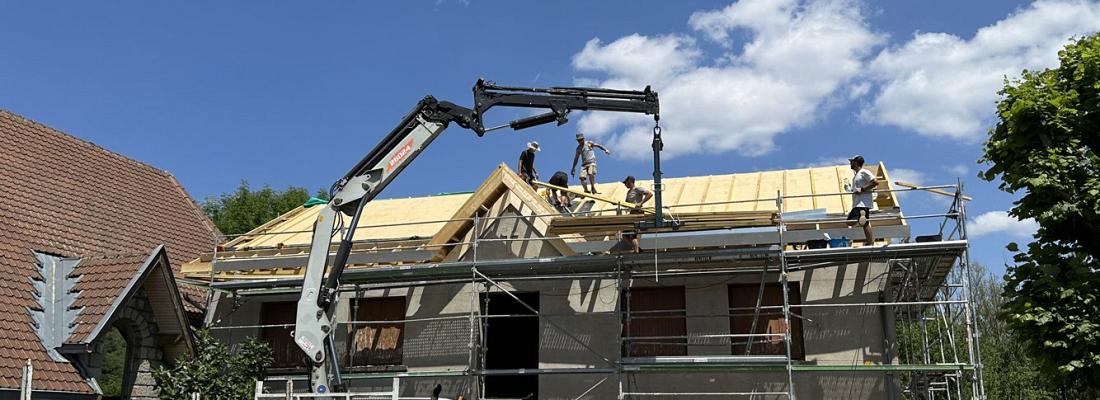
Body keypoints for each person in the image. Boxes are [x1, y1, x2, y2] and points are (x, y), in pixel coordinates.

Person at [846, 155, 878, 246]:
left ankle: (870, 242)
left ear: (856, 162)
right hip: (856, 203)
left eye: (851, 161)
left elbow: (875, 182)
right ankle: (861, 218)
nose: (850, 163)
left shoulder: (863, 172)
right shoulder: (856, 175)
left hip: (862, 203)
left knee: (864, 223)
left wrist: (862, 189)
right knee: (849, 222)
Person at [621, 175, 653, 253]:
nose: (625, 185)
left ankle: (636, 251)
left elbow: (649, 194)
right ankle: (637, 249)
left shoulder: (637, 189)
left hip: (637, 213)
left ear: (630, 182)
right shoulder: (629, 192)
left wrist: (640, 203)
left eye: (626, 183)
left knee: (631, 233)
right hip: (632, 214)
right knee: (625, 234)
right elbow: (627, 204)